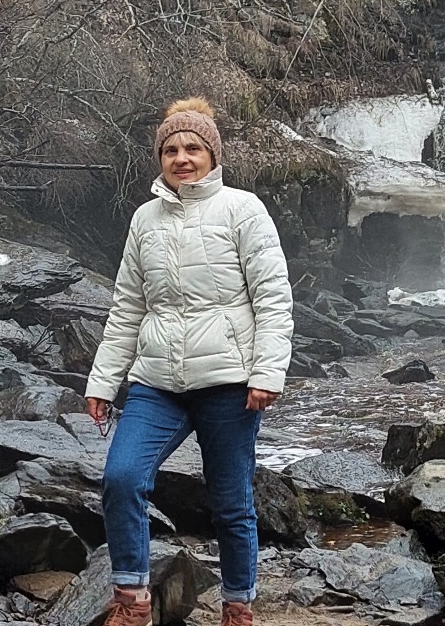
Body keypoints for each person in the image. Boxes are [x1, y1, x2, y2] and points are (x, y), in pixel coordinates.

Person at [85, 98, 293, 626]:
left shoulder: (243, 209)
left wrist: (268, 373)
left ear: (212, 155)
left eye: (193, 148)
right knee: (122, 478)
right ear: (160, 157)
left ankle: (237, 605)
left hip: (229, 382)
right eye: (171, 149)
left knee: (230, 502)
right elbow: (128, 305)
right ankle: (132, 599)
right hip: (158, 381)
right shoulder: (144, 219)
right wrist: (103, 382)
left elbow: (272, 297)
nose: (182, 158)